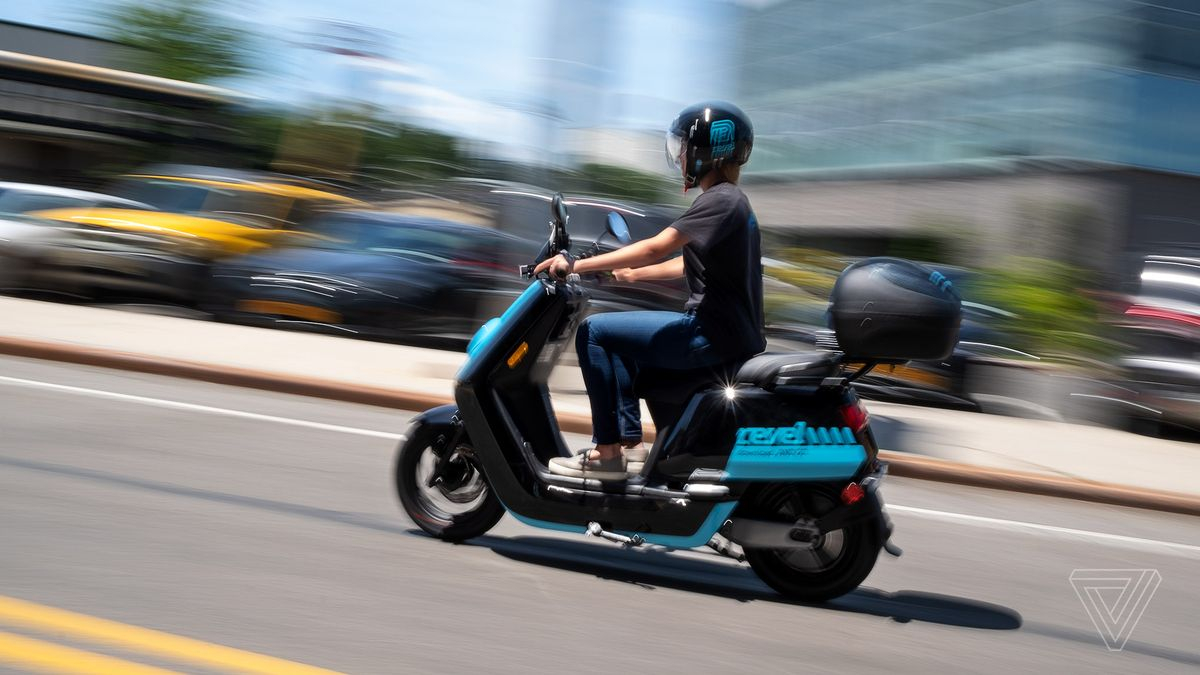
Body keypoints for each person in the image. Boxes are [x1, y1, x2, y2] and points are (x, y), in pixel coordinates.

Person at [533, 101, 765, 480]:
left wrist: (574, 265)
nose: (680, 158)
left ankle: (607, 454)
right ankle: (631, 446)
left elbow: (657, 246)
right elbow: (688, 263)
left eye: (684, 149)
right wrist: (630, 276)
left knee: (595, 334)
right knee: (631, 355)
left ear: (706, 151)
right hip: (729, 334)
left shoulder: (719, 199)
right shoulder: (734, 202)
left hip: (710, 333)